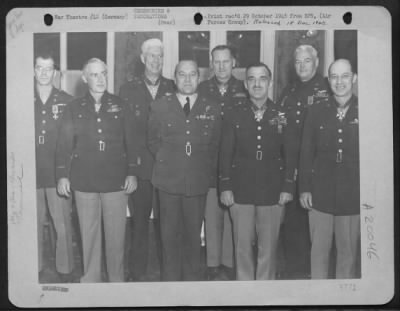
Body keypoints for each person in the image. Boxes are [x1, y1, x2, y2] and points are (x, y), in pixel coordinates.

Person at [56, 58, 139, 282]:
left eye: (103, 73)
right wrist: (63, 175)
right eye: (94, 75)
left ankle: (116, 279)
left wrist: (132, 171)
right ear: (84, 78)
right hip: (84, 180)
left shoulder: (121, 105)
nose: (100, 78)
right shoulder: (74, 108)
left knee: (116, 236)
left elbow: (132, 140)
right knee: (88, 234)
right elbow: (64, 144)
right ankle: (90, 278)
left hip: (115, 181)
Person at [219, 62, 296, 280]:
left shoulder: (281, 113)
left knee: (268, 249)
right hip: (240, 189)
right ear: (245, 84)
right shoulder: (234, 114)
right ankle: (245, 293)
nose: (257, 83)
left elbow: (290, 154)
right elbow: (225, 154)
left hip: (272, 190)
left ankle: (265, 294)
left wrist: (288, 186)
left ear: (269, 83)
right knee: (242, 247)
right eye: (251, 79)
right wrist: (225, 186)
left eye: (262, 78)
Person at [148, 60, 222, 281]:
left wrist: (199, 168)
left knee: (193, 236)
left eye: (192, 75)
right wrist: (170, 161)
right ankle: (170, 285)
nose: (187, 80)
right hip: (167, 182)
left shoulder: (212, 107)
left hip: (197, 182)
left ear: (199, 78)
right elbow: (152, 141)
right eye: (182, 75)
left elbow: (215, 145)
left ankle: (192, 286)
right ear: (175, 78)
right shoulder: (160, 106)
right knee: (168, 237)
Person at [119, 38, 175, 281]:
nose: (156, 60)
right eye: (151, 56)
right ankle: (137, 274)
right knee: (140, 224)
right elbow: (126, 133)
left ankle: (168, 274)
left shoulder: (174, 87)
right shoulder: (128, 89)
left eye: (160, 56)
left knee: (167, 226)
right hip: (140, 169)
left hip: (167, 171)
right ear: (143, 59)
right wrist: (129, 167)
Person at [299, 59, 360, 279]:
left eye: (345, 76)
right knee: (319, 253)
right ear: (328, 81)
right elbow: (306, 153)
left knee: (348, 254)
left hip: (353, 195)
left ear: (353, 78)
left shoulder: (366, 111)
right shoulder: (316, 111)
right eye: (334, 77)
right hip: (320, 194)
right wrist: (304, 188)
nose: (340, 82)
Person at [278, 44, 330, 278]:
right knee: (293, 227)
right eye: (298, 62)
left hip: (318, 170)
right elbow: (278, 127)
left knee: (318, 230)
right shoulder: (287, 92)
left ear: (316, 62)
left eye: (307, 61)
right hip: (291, 168)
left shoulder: (328, 90)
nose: (302, 66)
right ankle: (294, 274)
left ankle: (315, 277)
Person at [198, 45, 246, 280]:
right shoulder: (202, 89)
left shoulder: (245, 88)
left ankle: (229, 262)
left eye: (225, 61)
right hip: (208, 162)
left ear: (233, 62)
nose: (221, 67)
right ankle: (213, 263)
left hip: (237, 163)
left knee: (232, 215)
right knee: (212, 213)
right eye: (216, 62)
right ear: (211, 64)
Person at [34, 51, 75, 282]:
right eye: (39, 67)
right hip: (30, 173)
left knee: (62, 224)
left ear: (55, 73)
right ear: (33, 70)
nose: (43, 73)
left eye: (48, 68)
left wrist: (65, 173)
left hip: (57, 172)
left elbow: (70, 141)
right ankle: (35, 266)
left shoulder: (66, 100)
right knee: (33, 224)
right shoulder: (20, 98)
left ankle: (65, 270)